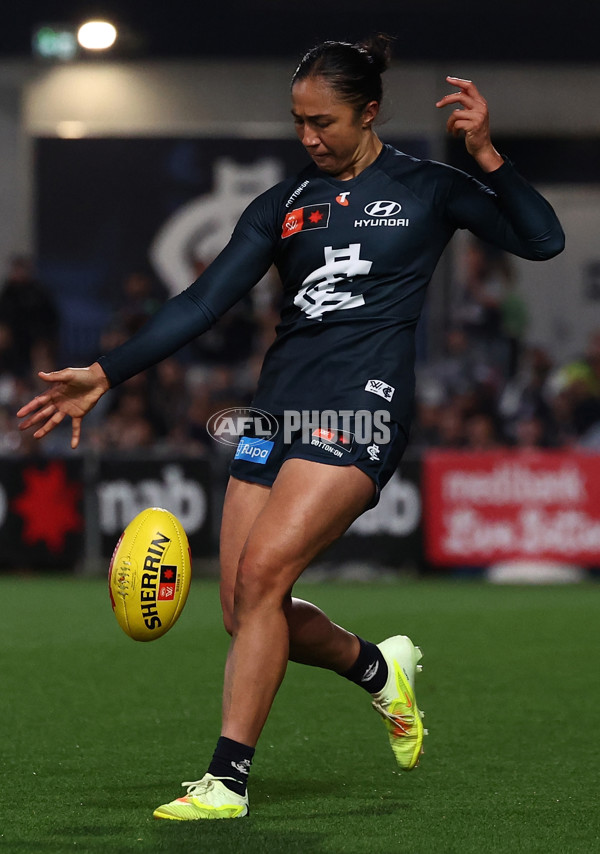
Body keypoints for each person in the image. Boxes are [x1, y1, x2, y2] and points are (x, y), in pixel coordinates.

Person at [17, 36, 564, 820]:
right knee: (245, 610)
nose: (309, 136)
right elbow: (202, 304)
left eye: (325, 121)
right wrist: (107, 373)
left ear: (369, 112)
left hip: (363, 406)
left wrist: (487, 154)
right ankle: (380, 671)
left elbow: (544, 240)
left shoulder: (428, 188)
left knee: (267, 576)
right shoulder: (281, 204)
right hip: (275, 414)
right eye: (299, 121)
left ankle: (226, 781)